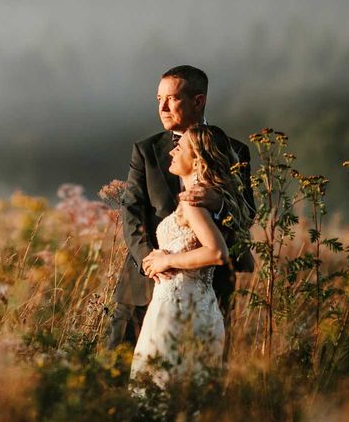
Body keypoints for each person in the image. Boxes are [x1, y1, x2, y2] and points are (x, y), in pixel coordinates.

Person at [107, 65, 254, 350]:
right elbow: (132, 213)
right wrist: (152, 262)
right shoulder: (146, 150)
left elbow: (247, 212)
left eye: (172, 98)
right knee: (120, 370)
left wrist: (221, 205)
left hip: (206, 290)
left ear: (198, 101)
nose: (162, 107)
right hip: (144, 285)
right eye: (158, 99)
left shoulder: (234, 151)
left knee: (195, 378)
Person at [129, 124, 252, 388]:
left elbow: (217, 252)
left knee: (162, 388)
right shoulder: (206, 199)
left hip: (180, 308)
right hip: (195, 304)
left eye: (181, 147)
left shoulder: (193, 201)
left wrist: (166, 260)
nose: (173, 151)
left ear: (197, 159)